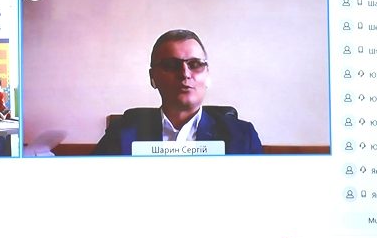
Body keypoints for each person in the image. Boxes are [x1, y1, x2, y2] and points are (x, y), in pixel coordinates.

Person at [92, 29, 262, 155]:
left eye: (195, 64)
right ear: (153, 77)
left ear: (207, 75)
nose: (185, 74)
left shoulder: (242, 136)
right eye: (171, 65)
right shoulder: (120, 134)